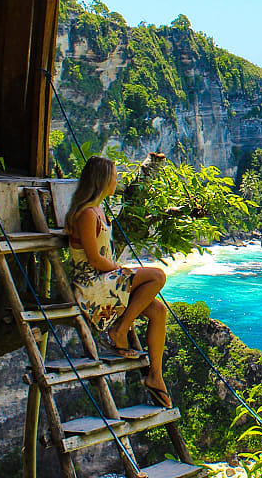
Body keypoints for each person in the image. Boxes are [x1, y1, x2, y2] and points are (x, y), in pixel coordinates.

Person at [66, 155, 171, 408]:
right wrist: (121, 270)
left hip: (105, 278)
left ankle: (155, 376)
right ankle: (120, 330)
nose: (117, 181)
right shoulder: (87, 214)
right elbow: (94, 259)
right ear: (102, 180)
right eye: (114, 176)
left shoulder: (99, 210)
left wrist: (120, 271)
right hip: (91, 283)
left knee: (158, 311)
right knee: (157, 275)